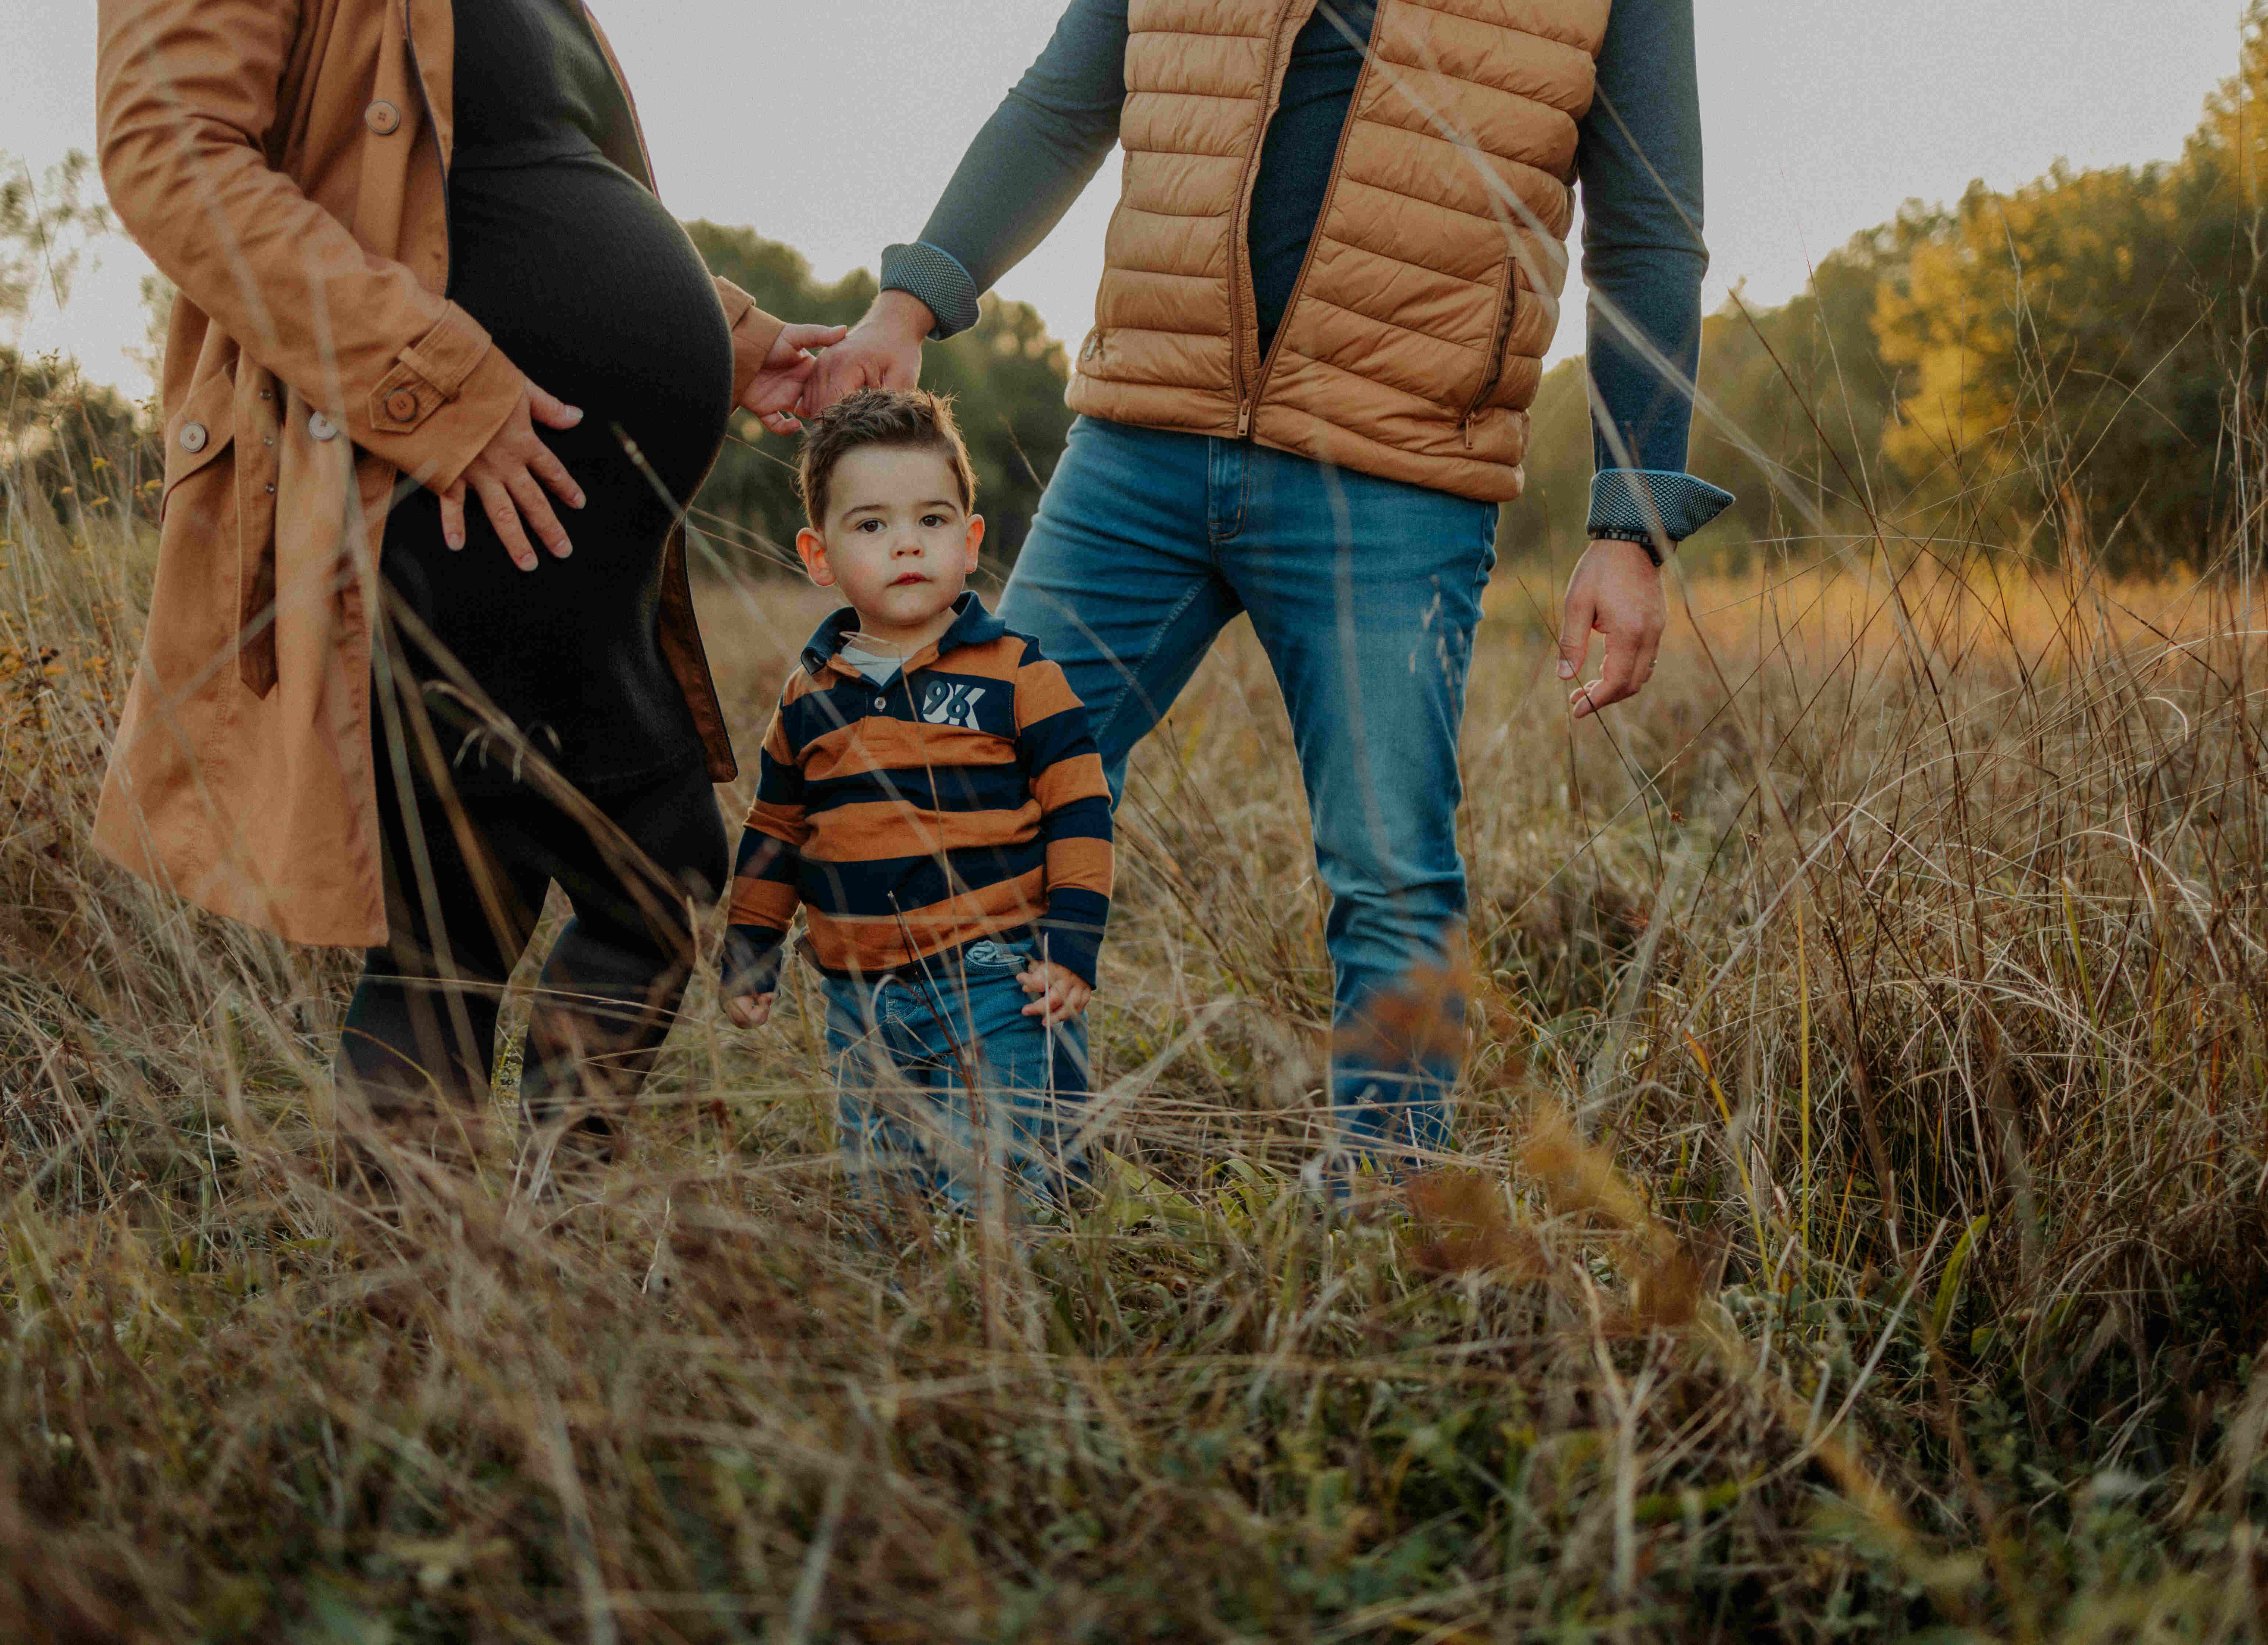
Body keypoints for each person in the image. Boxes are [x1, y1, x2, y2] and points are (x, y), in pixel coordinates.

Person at [806, 0, 1733, 1172]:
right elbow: (1060, 107)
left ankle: (1385, 1231)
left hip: (1399, 470)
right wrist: (911, 301)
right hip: (1139, 442)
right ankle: (1002, 1203)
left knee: (1390, 873)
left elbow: (1650, 229)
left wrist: (1632, 520)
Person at [90, 0, 843, 1149]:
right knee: (593, 878)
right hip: (435, 489)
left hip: (559, 519)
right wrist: (435, 388)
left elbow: (529, 160)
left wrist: (728, 335)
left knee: (499, 905)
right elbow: (169, 153)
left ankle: (475, 1280)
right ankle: (468, 1273)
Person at [721, 390, 1114, 1213]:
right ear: (819, 554)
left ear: (970, 543)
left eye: (932, 521)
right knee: (885, 1205)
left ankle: (1009, 1309)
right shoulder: (807, 699)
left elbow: (1080, 806)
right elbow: (776, 831)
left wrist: (1072, 940)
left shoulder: (1019, 673)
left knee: (994, 1197)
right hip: (860, 1003)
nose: (906, 543)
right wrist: (751, 949)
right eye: (870, 526)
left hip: (997, 985)